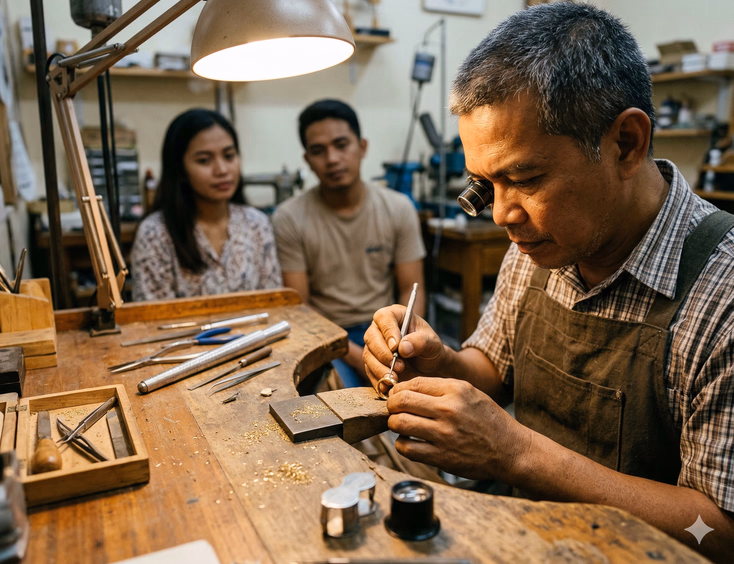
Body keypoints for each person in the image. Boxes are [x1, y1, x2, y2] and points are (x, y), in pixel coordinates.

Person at [362, 4, 734, 560]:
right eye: (488, 185)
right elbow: (495, 369)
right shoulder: (542, 237)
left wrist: (516, 455)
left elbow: (720, 535)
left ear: (626, 144)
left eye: (526, 178)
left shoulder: (721, 294)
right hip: (524, 531)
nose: (501, 214)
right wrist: (439, 363)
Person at [272, 99, 426, 387]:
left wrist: (401, 343)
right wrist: (357, 354)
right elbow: (300, 306)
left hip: (386, 329)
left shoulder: (398, 208)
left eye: (341, 145)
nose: (332, 159)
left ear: (362, 147)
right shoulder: (289, 218)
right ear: (307, 159)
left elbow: (412, 289)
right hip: (326, 337)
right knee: (339, 406)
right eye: (318, 151)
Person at [131, 108, 282, 301]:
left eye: (229, 156)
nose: (222, 170)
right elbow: (151, 319)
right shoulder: (155, 233)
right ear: (180, 168)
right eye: (204, 160)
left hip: (257, 331)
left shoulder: (256, 224)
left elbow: (274, 304)